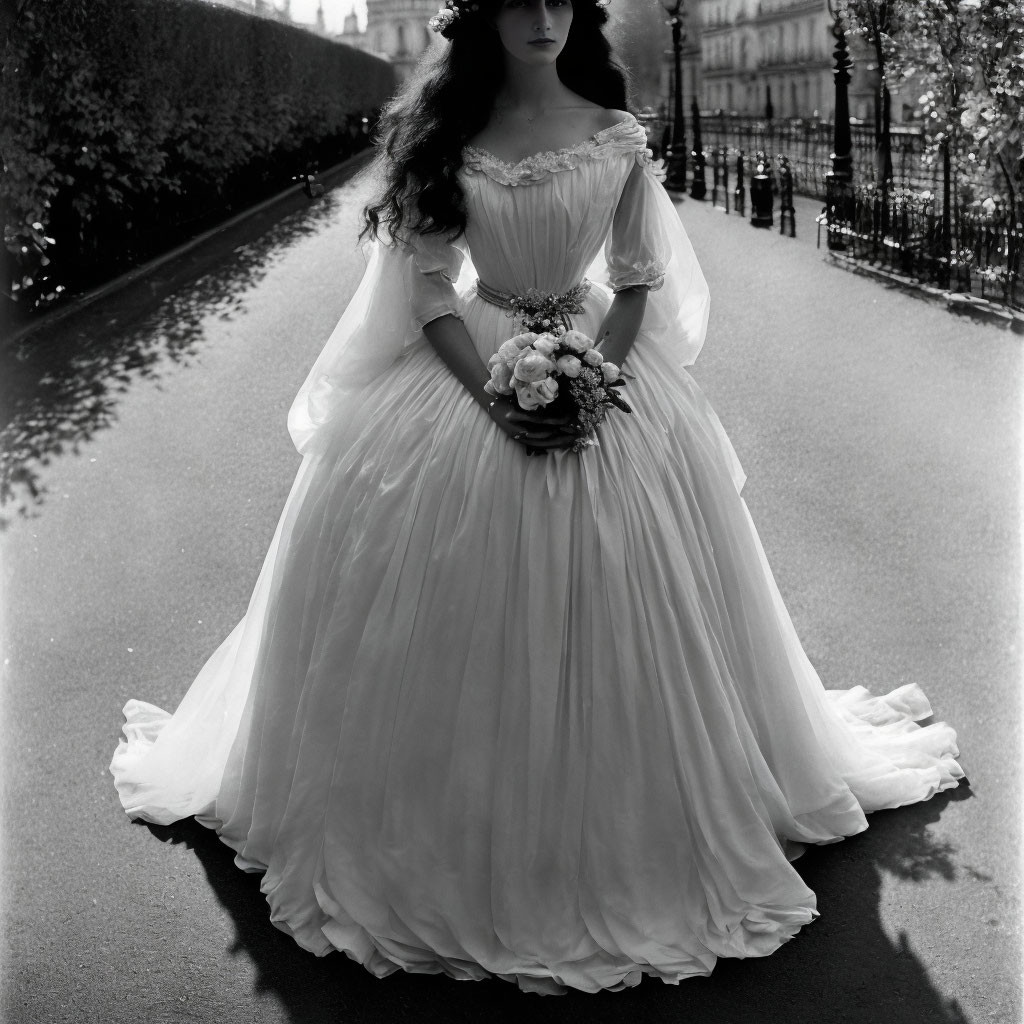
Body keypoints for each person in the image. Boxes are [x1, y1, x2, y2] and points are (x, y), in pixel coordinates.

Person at [110, 0, 964, 997]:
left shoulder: (615, 133)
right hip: (469, 364)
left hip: (601, 364)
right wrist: (498, 400)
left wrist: (591, 383)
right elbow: (431, 292)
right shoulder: (447, 136)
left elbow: (640, 279)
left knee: (643, 582)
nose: (542, 17)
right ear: (481, 16)